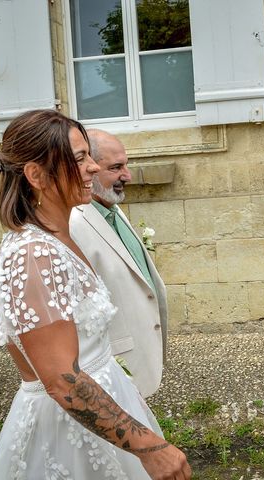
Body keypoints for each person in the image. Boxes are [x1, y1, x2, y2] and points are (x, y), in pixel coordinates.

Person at [0, 110, 191, 480]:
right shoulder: (33, 255)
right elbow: (61, 379)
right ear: (37, 175)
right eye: (79, 159)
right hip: (70, 438)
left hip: (106, 409)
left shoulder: (58, 238)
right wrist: (149, 447)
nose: (94, 168)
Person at [70, 129, 167, 399]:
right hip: (112, 368)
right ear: (89, 169)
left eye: (125, 165)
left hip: (140, 354)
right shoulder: (72, 224)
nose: (128, 175)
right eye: (116, 167)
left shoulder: (111, 207)